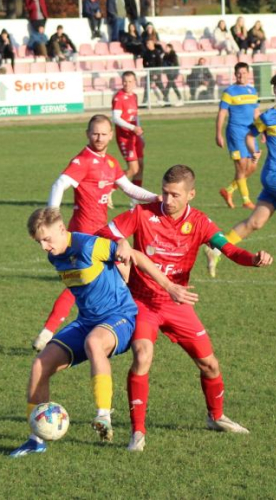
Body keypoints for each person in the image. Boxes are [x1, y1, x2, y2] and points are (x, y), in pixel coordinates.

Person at [96, 164, 274, 452]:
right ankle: (137, 433)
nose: (167, 200)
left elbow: (230, 250)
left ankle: (215, 417)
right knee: (143, 355)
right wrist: (120, 242)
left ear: (191, 194)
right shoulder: (143, 213)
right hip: (143, 302)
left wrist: (253, 259)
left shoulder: (201, 223)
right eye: (165, 193)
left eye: (175, 195)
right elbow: (102, 232)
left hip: (178, 303)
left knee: (210, 364)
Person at [11, 207, 196, 457]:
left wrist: (168, 286)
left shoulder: (88, 246)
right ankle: (35, 440)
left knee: (94, 342)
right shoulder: (55, 256)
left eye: (47, 239)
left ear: (61, 229)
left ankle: (103, 415)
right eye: (39, 242)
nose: (44, 246)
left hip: (120, 317)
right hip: (87, 320)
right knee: (39, 365)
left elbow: (135, 255)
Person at [33, 115, 160, 354]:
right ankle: (52, 331)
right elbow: (58, 184)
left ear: (111, 135)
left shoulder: (110, 163)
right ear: (87, 134)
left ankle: (120, 323)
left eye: (103, 134)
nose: (99, 138)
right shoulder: (83, 160)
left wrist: (157, 198)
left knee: (110, 276)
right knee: (84, 282)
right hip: (82, 234)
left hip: (101, 232)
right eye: (95, 133)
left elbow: (129, 189)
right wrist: (52, 218)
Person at [206, 70, 276, 276]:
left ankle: (215, 248)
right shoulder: (268, 116)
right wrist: (254, 151)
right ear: (274, 91)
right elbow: (250, 135)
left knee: (255, 223)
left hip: (275, 177)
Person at [215, 62, 261, 211]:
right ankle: (246, 200)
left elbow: (256, 114)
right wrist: (218, 133)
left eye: (244, 73)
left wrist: (263, 131)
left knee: (252, 166)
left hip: (251, 133)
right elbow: (222, 113)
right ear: (235, 75)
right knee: (241, 166)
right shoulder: (230, 92)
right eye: (239, 73)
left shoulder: (252, 91)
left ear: (248, 74)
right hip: (235, 132)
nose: (241, 76)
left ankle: (229, 191)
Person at [112, 72, 147, 205]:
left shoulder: (134, 96)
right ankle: (110, 189)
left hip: (135, 137)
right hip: (125, 138)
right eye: (125, 81)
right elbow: (115, 118)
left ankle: (135, 200)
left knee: (141, 167)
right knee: (133, 169)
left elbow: (136, 117)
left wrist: (140, 135)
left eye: (130, 81)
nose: (127, 84)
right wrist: (132, 128)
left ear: (135, 82)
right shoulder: (118, 97)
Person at [141, 39, 165, 105]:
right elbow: (144, 62)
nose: (148, 45)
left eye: (149, 44)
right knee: (147, 87)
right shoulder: (146, 53)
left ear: (152, 44)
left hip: (156, 73)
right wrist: (146, 67)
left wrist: (156, 73)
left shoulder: (156, 52)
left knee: (160, 85)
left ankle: (166, 99)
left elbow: (159, 64)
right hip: (149, 73)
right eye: (147, 44)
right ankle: (144, 102)